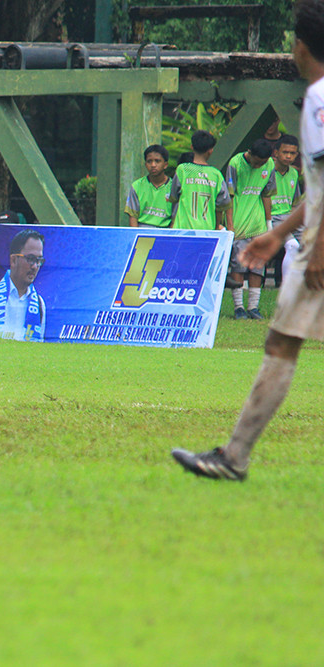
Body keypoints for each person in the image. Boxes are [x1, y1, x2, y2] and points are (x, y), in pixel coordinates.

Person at [172, 0, 324, 481]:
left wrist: (318, 248)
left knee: (282, 343)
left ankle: (234, 457)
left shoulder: (320, 99)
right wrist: (279, 233)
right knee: (283, 339)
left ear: (300, 46)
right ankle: (233, 456)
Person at [225, 139, 277, 319]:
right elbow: (229, 197)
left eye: (262, 163)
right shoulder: (235, 164)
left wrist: (269, 224)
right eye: (256, 162)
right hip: (239, 223)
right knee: (238, 266)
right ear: (249, 153)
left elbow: (267, 194)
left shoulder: (269, 164)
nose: (258, 166)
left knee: (257, 266)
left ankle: (253, 307)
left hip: (258, 224)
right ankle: (238, 307)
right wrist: (230, 226)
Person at [168, 130, 232, 231]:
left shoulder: (183, 169)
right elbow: (221, 204)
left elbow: (173, 197)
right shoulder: (216, 175)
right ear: (210, 150)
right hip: (206, 230)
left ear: (192, 147)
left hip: (183, 229)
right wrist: (216, 227)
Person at [270, 134, 304, 279]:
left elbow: (295, 202)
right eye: (285, 152)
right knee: (292, 245)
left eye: (292, 153)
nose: (289, 156)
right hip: (272, 218)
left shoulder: (294, 173)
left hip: (289, 217)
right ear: (276, 152)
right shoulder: (266, 170)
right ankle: (286, 287)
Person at [125, 145, 173, 228]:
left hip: (165, 231)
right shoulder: (137, 186)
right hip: (142, 231)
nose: (153, 165)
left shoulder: (174, 187)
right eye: (149, 161)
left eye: (157, 161)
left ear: (165, 165)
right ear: (145, 164)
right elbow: (133, 218)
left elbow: (175, 218)